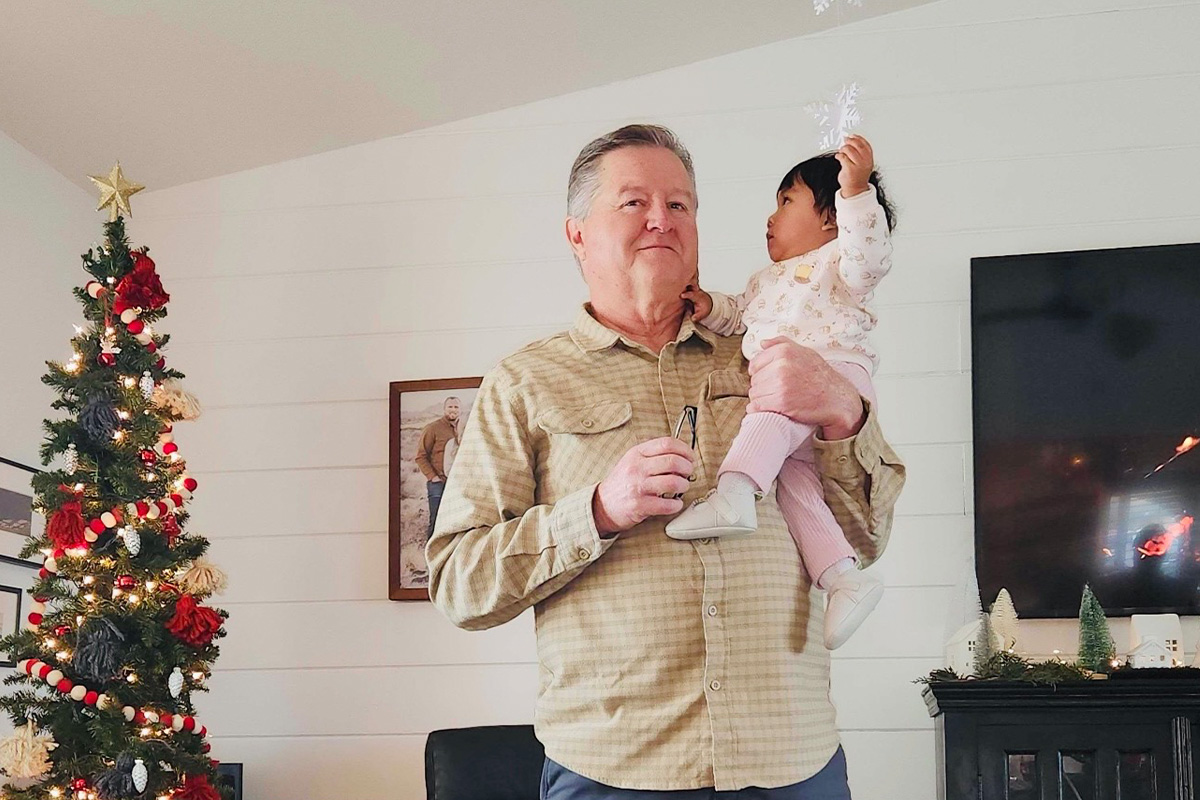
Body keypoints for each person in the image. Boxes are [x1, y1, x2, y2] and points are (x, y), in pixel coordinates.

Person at [427, 125, 905, 799]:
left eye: (680, 204)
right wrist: (597, 512)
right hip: (615, 771)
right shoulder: (524, 383)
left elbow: (865, 538)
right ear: (577, 235)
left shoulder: (777, 347)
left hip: (792, 762)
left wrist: (844, 411)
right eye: (634, 202)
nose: (662, 218)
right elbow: (459, 583)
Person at [666, 135, 896, 650]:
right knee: (793, 484)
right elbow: (738, 316)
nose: (771, 217)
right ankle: (843, 579)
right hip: (794, 410)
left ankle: (733, 493)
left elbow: (870, 259)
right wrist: (708, 305)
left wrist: (856, 192)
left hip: (834, 373)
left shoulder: (840, 261)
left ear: (831, 218)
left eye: (787, 202)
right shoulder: (765, 280)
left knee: (769, 402)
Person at [414, 396, 461, 538]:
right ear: (444, 409)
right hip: (438, 482)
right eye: (450, 407)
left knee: (456, 520)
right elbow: (421, 456)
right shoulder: (433, 428)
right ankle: (431, 550)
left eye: (456, 407)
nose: (453, 410)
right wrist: (433, 477)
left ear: (460, 410)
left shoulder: (463, 429)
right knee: (436, 520)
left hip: (456, 483)